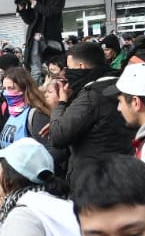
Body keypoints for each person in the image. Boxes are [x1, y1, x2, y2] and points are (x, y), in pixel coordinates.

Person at [47, 41, 133, 176]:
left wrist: (61, 103)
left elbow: (58, 136)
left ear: (81, 67)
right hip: (121, 168)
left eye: (69, 68)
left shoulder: (91, 95)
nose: (66, 73)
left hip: (95, 176)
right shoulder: (120, 82)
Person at [17, 0, 65, 79]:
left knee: (56, 68)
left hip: (52, 38)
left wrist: (34, 2)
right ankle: (37, 94)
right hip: (35, 39)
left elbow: (50, 12)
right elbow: (29, 20)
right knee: (35, 70)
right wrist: (22, 9)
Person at [0, 67, 51, 148]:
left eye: (11, 88)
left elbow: (50, 149)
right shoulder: (12, 112)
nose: (6, 93)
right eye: (4, 89)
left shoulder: (37, 114)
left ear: (24, 88)